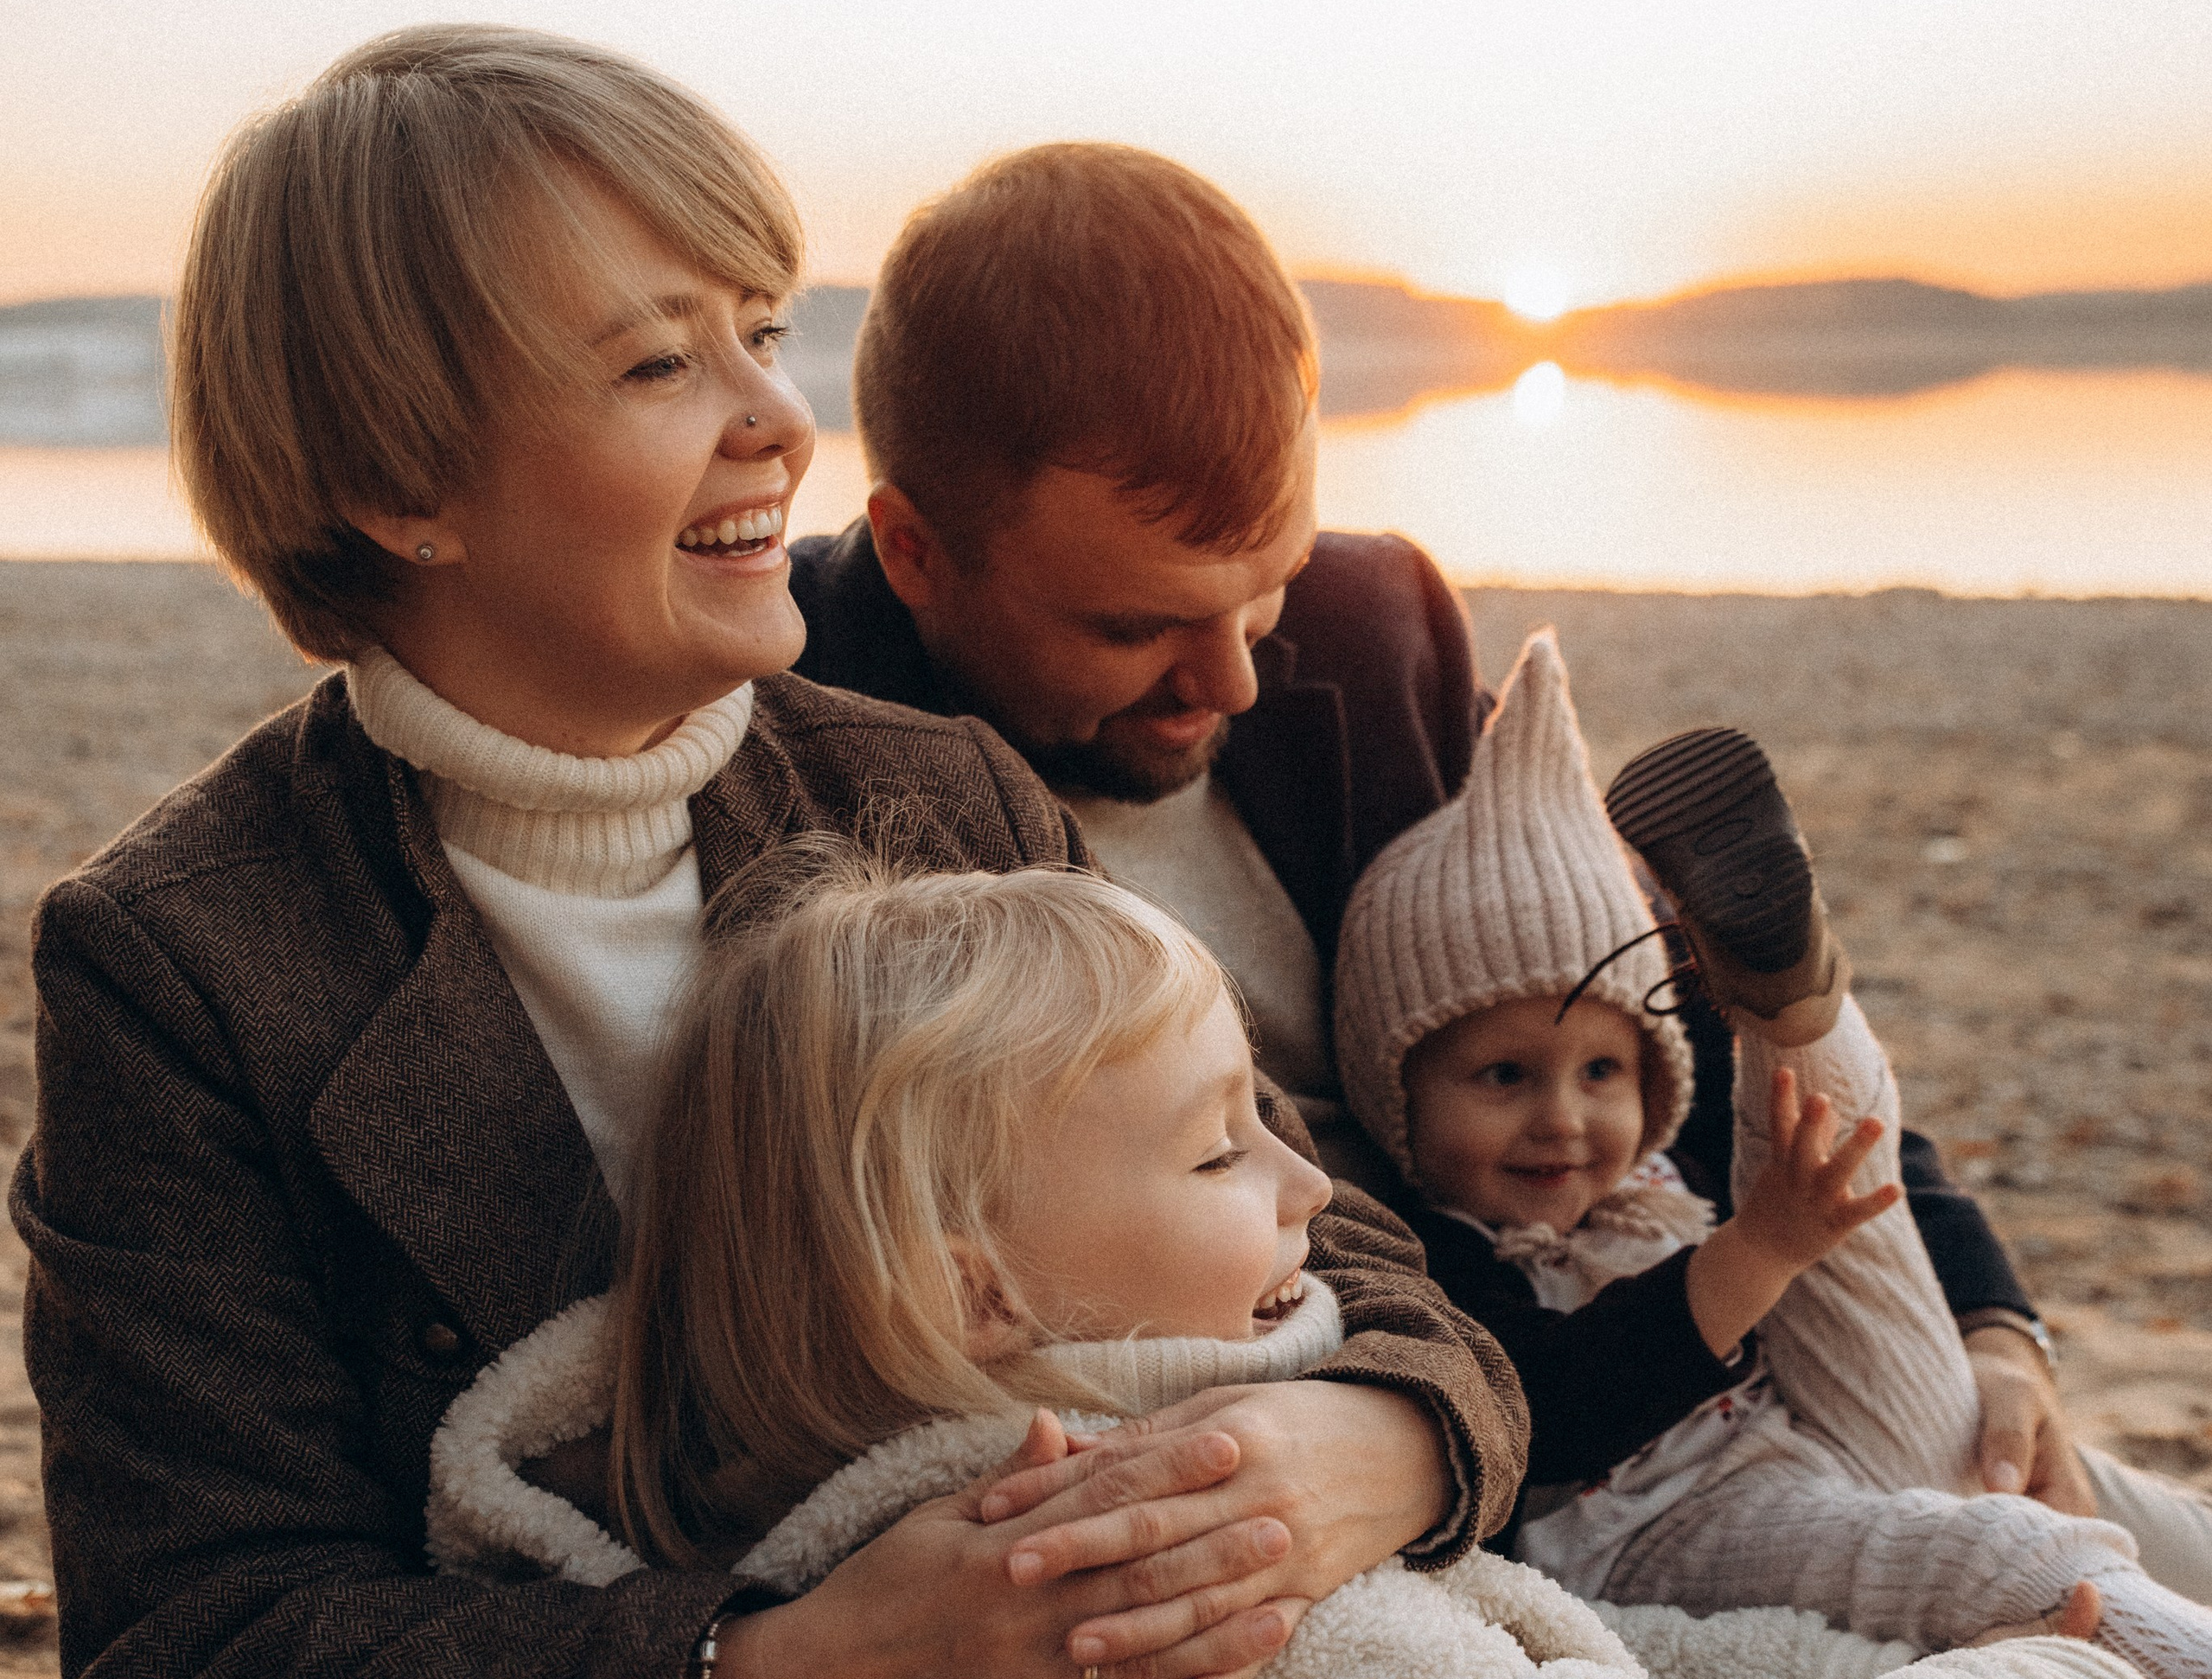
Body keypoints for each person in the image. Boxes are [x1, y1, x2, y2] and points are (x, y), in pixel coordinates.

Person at [10, 30, 1527, 1679]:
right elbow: (207, 1654)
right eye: (656, 365)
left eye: (758, 325)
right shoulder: (182, 955)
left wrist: (1349, 1452)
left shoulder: (931, 793)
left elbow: (1342, 1243)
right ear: (399, 478)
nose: (772, 421)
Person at [426, 850, 2164, 1679]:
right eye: (1216, 1152)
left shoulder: (1160, 1471)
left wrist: (1919, 1668)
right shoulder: (1133, 1625)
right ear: (974, 1282)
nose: (1310, 1190)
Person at [785, 137, 2149, 1545]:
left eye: (1259, 588)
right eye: (1133, 628)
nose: (1232, 684)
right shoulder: (801, 745)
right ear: (913, 552)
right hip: (1442, 1436)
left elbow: (1678, 993)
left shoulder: (1373, 632)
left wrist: (1989, 1315)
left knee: (2110, 1532)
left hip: (1720, 1320)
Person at [1330, 629, 2212, 1679]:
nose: (1562, 1117)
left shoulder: (1653, 1175)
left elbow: (1866, 1214)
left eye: (1604, 1070)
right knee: (1978, 1543)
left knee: (1831, 1187)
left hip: (1818, 1434)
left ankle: (1791, 1006)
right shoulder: (1431, 1252)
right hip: (1664, 1527)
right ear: (1393, 1092)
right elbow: (1546, 1412)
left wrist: (1968, 1320)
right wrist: (1757, 1249)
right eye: (1504, 1075)